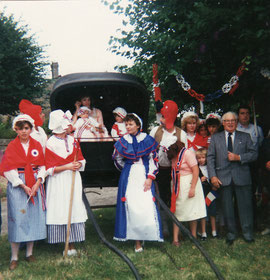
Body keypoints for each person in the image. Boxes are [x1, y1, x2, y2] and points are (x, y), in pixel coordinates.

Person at [0, 114, 46, 270]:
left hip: (34, 183)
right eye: (20, 129)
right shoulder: (13, 146)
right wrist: (22, 185)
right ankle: (14, 256)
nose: (24, 131)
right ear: (16, 130)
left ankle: (29, 252)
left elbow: (42, 166)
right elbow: (7, 168)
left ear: (31, 129)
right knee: (18, 217)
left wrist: (38, 182)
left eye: (26, 128)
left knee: (32, 216)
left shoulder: (36, 145)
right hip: (18, 184)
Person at [113, 113, 163, 252]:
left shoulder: (147, 139)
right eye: (126, 124)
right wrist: (128, 169)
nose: (128, 127)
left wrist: (149, 177)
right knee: (131, 205)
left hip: (144, 174)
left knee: (145, 204)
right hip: (129, 176)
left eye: (130, 124)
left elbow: (154, 159)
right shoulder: (124, 140)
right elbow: (117, 159)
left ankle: (147, 234)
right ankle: (137, 242)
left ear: (138, 125)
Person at [207, 112, 258, 245]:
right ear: (223, 123)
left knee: (245, 207)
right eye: (227, 121)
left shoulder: (245, 136)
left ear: (236, 123)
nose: (230, 123)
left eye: (233, 121)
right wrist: (212, 176)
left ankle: (247, 233)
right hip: (223, 178)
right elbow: (210, 158)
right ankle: (231, 233)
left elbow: (254, 154)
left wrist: (239, 158)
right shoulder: (215, 138)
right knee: (227, 208)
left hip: (242, 177)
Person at [45, 110, 88, 256]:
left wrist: (78, 165)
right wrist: (67, 166)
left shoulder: (73, 140)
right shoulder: (50, 143)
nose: (68, 126)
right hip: (59, 181)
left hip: (72, 178)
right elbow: (49, 168)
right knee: (61, 206)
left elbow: (81, 158)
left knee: (74, 205)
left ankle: (73, 243)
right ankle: (65, 243)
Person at [149, 100, 187, 237]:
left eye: (164, 116)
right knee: (161, 198)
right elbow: (149, 150)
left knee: (175, 198)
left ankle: (177, 226)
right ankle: (164, 226)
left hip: (174, 172)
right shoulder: (155, 131)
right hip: (159, 171)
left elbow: (185, 155)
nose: (161, 119)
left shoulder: (181, 134)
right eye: (161, 116)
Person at [166, 137, 206, 246]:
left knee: (192, 210)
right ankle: (175, 239)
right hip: (177, 184)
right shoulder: (173, 154)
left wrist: (192, 187)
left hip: (189, 183)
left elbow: (196, 170)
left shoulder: (188, 153)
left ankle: (194, 237)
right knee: (177, 211)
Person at [196, 148, 218, 240]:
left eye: (203, 158)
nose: (201, 160)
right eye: (199, 158)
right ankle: (203, 232)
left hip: (211, 191)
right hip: (202, 192)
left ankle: (214, 231)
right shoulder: (196, 168)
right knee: (203, 212)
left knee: (212, 211)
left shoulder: (211, 167)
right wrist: (200, 180)